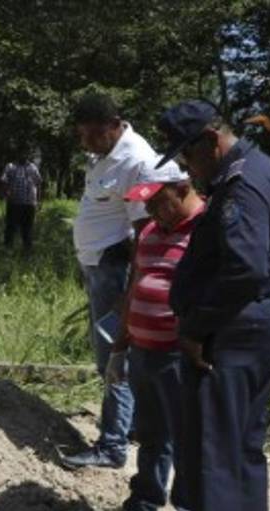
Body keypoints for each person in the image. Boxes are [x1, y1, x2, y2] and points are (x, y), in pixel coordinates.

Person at [141, 101, 270, 511]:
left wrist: (196, 326)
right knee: (245, 456)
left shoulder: (240, 185)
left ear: (212, 141)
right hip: (251, 327)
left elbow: (243, 268)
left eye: (189, 155)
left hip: (227, 337)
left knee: (212, 458)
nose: (187, 169)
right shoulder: (265, 170)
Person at [97, 161, 201, 511]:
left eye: (157, 201)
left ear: (183, 188)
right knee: (151, 433)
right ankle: (143, 507)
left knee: (188, 436)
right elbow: (135, 287)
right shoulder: (152, 231)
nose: (150, 211)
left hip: (181, 354)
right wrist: (120, 348)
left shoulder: (207, 230)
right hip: (144, 350)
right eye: (146, 203)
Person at [61, 93, 160, 471]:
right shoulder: (106, 154)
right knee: (111, 355)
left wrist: (131, 291)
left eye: (88, 134)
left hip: (115, 270)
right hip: (98, 265)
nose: (82, 142)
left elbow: (143, 231)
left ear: (111, 125)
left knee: (114, 357)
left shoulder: (135, 160)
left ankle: (112, 446)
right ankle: (130, 426)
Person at [0, 148, 43, 252]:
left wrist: (39, 200)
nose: (23, 155)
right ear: (17, 154)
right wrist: (6, 194)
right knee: (11, 227)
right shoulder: (10, 166)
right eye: (21, 153)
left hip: (30, 203)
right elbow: (4, 181)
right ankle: (7, 249)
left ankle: (27, 251)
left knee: (27, 228)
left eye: (25, 153)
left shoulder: (33, 167)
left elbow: (38, 183)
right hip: (14, 203)